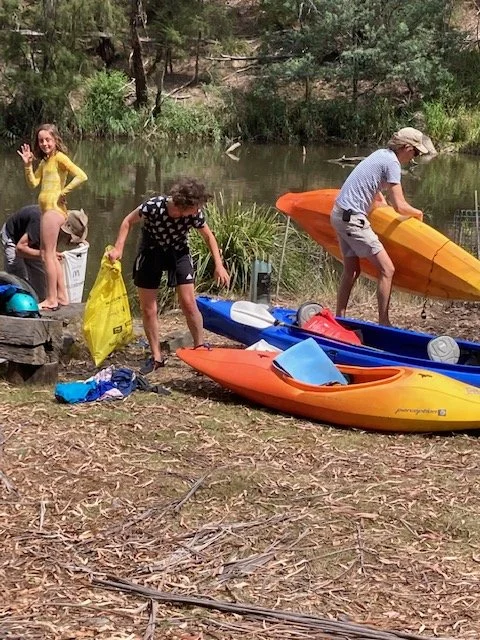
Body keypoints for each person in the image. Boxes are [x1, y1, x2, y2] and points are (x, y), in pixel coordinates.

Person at [107, 177, 230, 374]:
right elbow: (128, 221)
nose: (198, 210)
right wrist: (119, 248)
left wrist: (219, 265)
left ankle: (199, 349)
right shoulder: (154, 206)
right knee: (149, 308)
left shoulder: (194, 215)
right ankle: (156, 356)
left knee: (189, 303)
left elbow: (208, 237)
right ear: (183, 205)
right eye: (195, 206)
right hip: (151, 251)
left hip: (178, 253)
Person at [330, 127, 428, 326]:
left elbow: (372, 185)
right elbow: (400, 206)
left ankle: (339, 318)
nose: (415, 157)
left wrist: (380, 200)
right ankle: (384, 323)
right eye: (415, 152)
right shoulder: (392, 163)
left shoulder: (380, 155)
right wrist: (418, 213)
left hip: (339, 214)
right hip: (353, 219)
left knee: (352, 271)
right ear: (406, 147)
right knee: (387, 269)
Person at [17, 123, 88, 311]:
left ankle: (51, 299)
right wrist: (27, 165)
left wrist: (64, 192)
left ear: (56, 140)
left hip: (53, 211)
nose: (44, 144)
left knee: (47, 255)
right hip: (48, 211)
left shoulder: (59, 158)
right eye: (41, 140)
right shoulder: (45, 162)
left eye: (48, 139)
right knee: (51, 255)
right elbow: (33, 183)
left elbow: (81, 176)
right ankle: (62, 296)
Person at [1, 206, 89, 302]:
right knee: (18, 281)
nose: (68, 241)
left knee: (42, 282)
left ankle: (43, 301)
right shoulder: (40, 224)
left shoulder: (59, 221)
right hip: (14, 238)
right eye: (69, 239)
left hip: (34, 241)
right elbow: (20, 249)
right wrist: (47, 254)